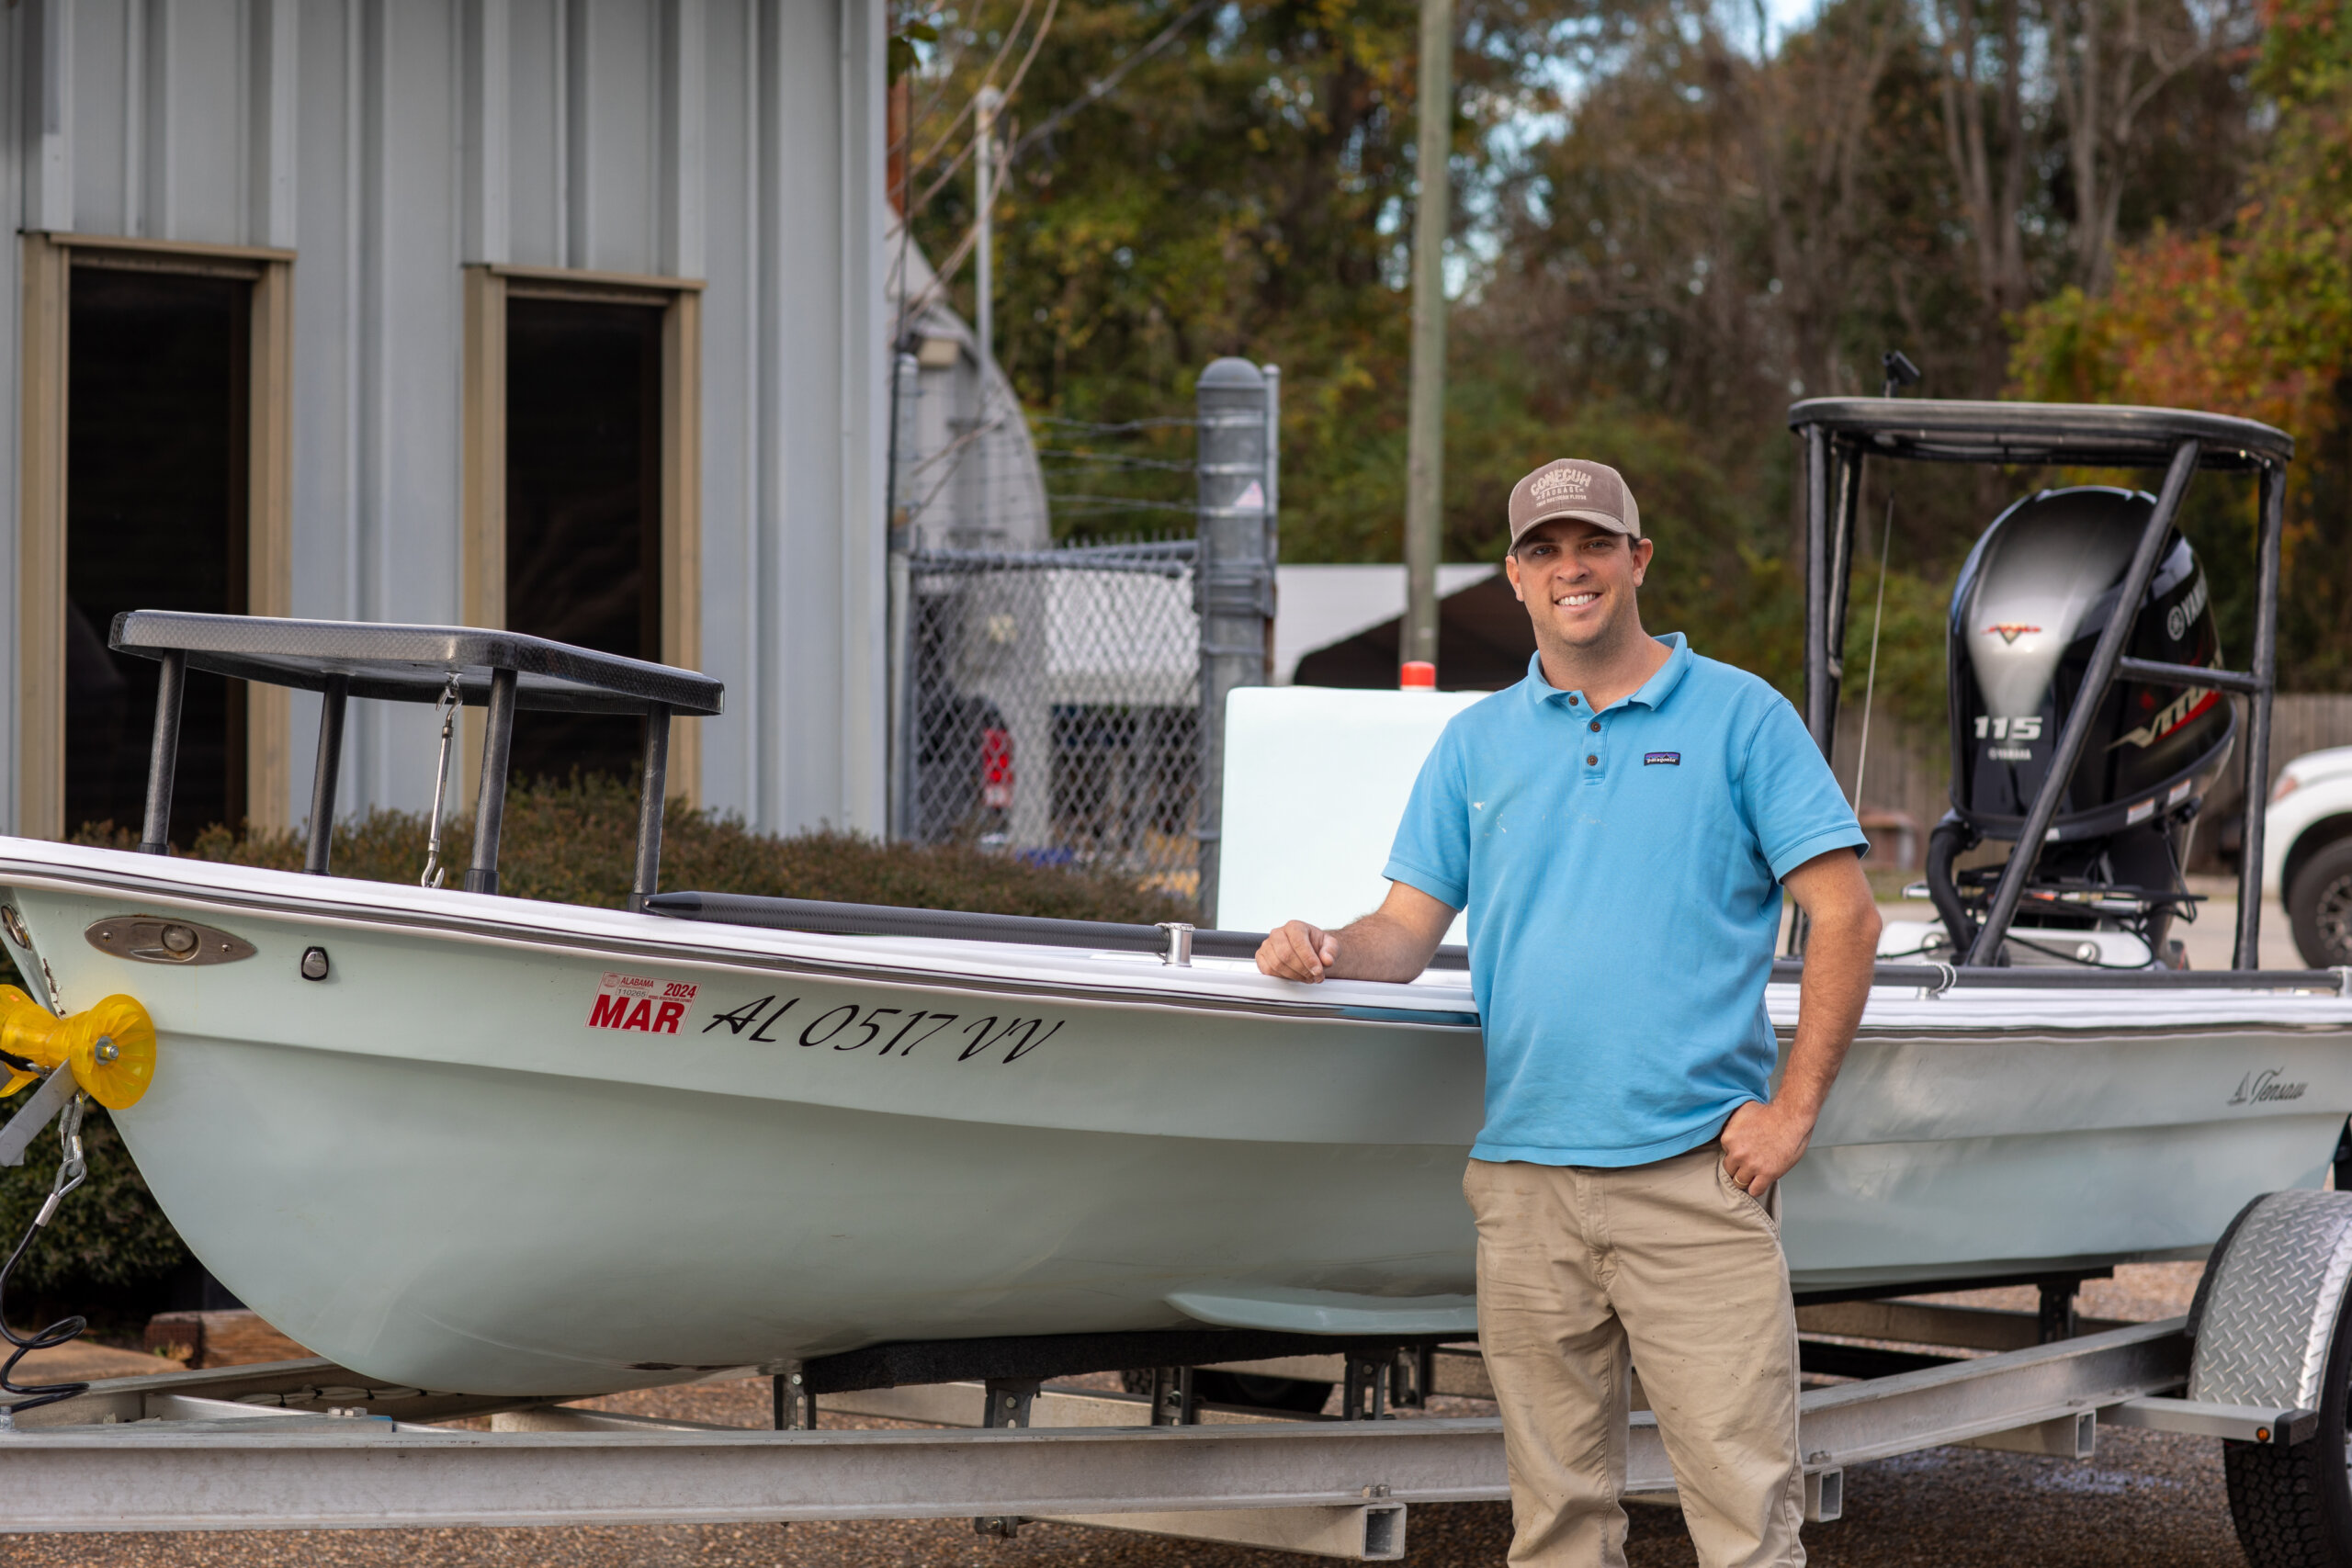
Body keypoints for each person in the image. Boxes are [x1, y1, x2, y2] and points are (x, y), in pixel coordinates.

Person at [1255, 458, 1880, 1568]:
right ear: (1514, 576)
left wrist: (1792, 1114)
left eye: (1593, 544)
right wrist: (1329, 948)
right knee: (1554, 1529)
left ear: (1637, 560)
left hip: (1696, 1175)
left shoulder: (1742, 718)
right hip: (1526, 1187)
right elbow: (1405, 931)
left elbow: (1845, 917)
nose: (1570, 569)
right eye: (1543, 551)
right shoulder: (1477, 744)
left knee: (1745, 1525)